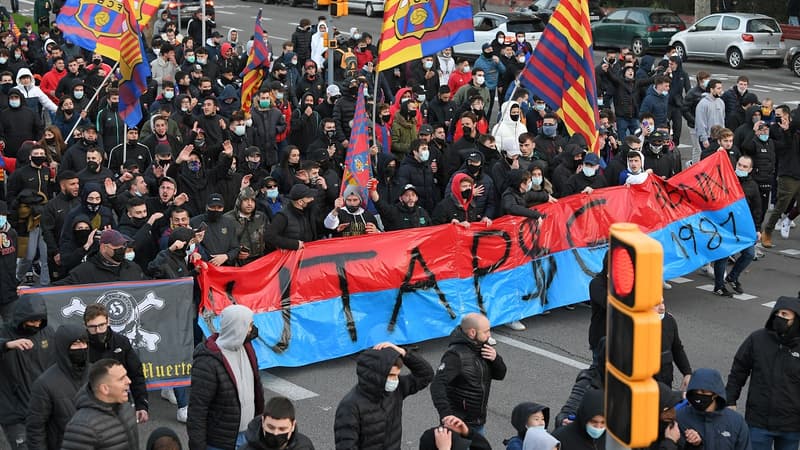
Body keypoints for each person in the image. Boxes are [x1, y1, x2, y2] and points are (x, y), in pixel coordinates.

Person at [726, 295, 800, 450]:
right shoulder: (757, 339)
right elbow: (739, 370)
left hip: (792, 426)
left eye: (785, 315)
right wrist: (730, 400)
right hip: (758, 422)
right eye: (777, 314)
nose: (779, 317)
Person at [188, 304, 264, 450]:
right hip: (220, 443)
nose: (252, 330)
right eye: (250, 325)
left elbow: (256, 388)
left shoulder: (247, 347)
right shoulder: (207, 361)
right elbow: (198, 410)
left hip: (249, 436)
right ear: (238, 327)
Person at [334, 342, 434, 450]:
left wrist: (403, 352)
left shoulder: (396, 389)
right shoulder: (350, 406)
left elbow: (426, 375)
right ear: (375, 375)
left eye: (397, 375)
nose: (395, 380)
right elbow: (346, 445)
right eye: (391, 375)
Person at [431, 313, 507, 434]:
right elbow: (437, 386)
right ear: (472, 332)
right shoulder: (455, 356)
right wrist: (446, 415)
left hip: (478, 422)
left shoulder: (483, 347)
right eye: (486, 331)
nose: (489, 335)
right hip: (458, 424)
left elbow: (500, 375)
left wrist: (496, 359)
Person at [0, 297, 56, 450]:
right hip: (15, 412)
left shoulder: (47, 332)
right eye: (32, 321)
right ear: (21, 319)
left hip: (42, 410)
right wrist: (6, 345)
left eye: (40, 321)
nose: (37, 325)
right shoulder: (5, 332)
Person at [82, 303, 150, 423]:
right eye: (92, 327)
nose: (97, 331)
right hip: (90, 406)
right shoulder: (81, 346)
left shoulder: (121, 342)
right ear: (85, 326)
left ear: (108, 322)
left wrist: (141, 405)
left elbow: (136, 374)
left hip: (120, 403)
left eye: (101, 325)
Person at [26, 324, 89, 450]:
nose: (81, 347)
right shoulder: (44, 383)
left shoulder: (96, 374)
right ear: (63, 347)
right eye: (76, 344)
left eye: (84, 343)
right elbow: (35, 429)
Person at [60, 359, 140, 450]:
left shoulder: (126, 408)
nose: (129, 381)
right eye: (121, 379)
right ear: (104, 389)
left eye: (126, 375)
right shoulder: (81, 427)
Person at [715, 155, 762, 296]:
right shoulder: (727, 180)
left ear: (750, 169)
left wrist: (758, 228)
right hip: (725, 225)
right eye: (739, 165)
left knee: (749, 254)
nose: (741, 168)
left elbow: (757, 208)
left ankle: (732, 277)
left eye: (745, 166)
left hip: (743, 227)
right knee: (723, 256)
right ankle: (719, 286)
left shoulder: (752, 186)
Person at [678, 368, 751, 450]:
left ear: (715, 394)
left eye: (703, 392)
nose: (698, 395)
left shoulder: (736, 422)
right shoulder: (680, 418)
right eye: (695, 392)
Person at [240, 396, 315, 450]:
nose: (275, 433)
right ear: (263, 422)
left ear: (293, 426)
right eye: (271, 427)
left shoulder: (305, 446)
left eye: (282, 429)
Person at [653, 299, 692, 390]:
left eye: (663, 303)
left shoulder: (669, 320)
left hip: (665, 378)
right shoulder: (632, 325)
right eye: (656, 304)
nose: (662, 308)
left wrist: (687, 373)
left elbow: (677, 348)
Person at [0, 200, 19, 321]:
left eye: (3, 215)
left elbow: (13, 261)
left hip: (9, 292)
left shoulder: (12, 234)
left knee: (10, 327)